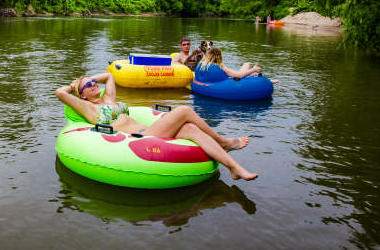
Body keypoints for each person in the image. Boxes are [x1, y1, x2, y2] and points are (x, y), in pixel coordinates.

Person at [55, 72, 258, 181]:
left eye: (93, 82)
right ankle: (223, 141)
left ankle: (234, 168)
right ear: (82, 95)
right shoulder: (89, 109)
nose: (93, 85)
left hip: (148, 130)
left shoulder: (109, 98)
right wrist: (75, 84)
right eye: (88, 86)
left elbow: (110, 76)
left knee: (191, 129)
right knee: (184, 111)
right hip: (140, 137)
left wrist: (89, 77)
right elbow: (60, 93)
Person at [195, 47, 278, 83]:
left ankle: (254, 73)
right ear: (219, 56)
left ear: (209, 55)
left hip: (209, 82)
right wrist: (254, 69)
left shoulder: (203, 63)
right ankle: (262, 78)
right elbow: (239, 76)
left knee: (247, 65)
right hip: (230, 79)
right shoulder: (220, 66)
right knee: (247, 67)